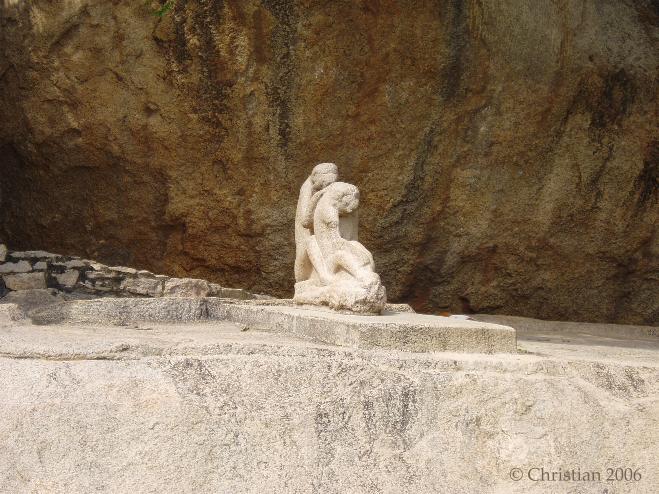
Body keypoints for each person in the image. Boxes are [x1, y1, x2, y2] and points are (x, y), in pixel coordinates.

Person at [294, 163, 338, 283]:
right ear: (315, 177)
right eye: (324, 183)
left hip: (325, 234)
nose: (327, 187)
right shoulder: (308, 189)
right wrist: (318, 196)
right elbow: (305, 221)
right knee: (311, 243)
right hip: (310, 237)